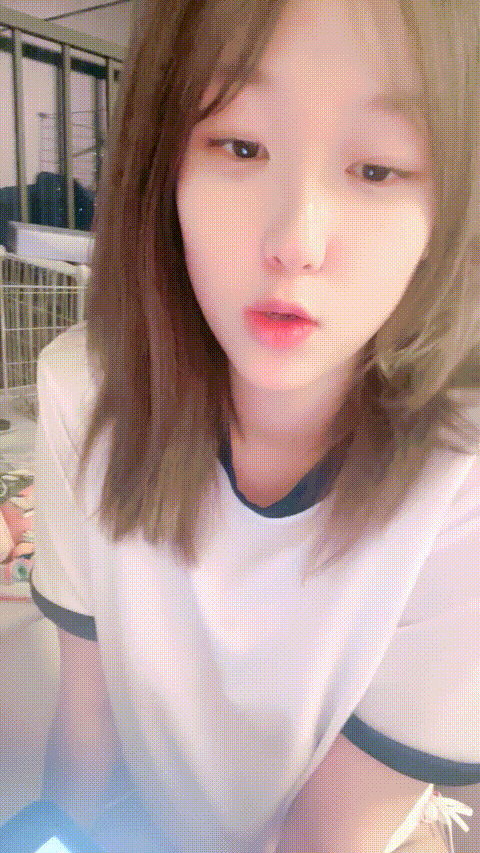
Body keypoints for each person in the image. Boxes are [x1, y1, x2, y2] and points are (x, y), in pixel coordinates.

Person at [30, 0, 480, 851]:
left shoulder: (463, 475)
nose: (295, 241)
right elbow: (83, 728)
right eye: (240, 146)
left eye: (377, 168)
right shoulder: (83, 395)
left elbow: (334, 834)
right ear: (163, 167)